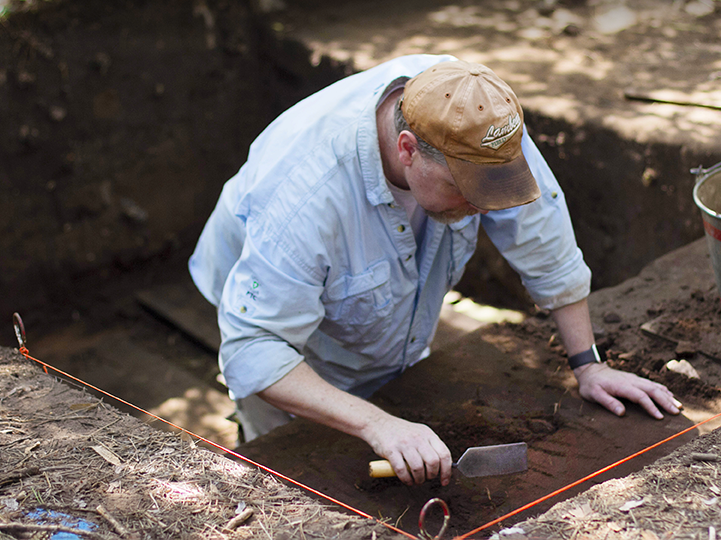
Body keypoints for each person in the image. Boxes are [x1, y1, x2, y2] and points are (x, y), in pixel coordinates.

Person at [189, 54, 681, 487]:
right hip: (279, 325)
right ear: (407, 149)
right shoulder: (306, 199)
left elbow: (542, 233)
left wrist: (587, 363)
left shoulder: (479, 117)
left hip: (377, 315)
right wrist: (377, 423)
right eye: (465, 191)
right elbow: (255, 350)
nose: (483, 209)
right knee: (298, 480)